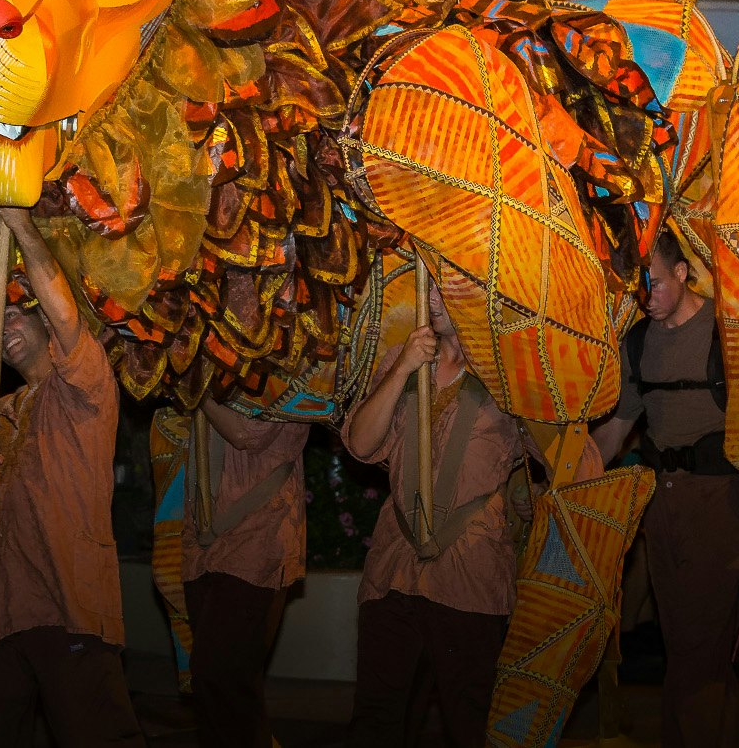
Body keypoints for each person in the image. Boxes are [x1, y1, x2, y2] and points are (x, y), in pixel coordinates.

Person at [0, 207, 144, 746]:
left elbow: (66, 317)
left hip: (69, 608)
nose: (6, 328)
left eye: (17, 314)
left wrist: (19, 224)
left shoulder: (84, 386)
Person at [342, 281, 530, 748]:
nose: (430, 300)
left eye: (445, 290)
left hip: (469, 569)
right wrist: (404, 365)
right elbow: (362, 444)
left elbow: (560, 454)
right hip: (394, 563)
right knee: (376, 716)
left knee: (469, 720)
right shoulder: (404, 361)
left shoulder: (511, 370)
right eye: (430, 289)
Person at [590, 230, 739, 748]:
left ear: (682, 273)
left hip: (719, 500)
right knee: (683, 638)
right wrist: (563, 467)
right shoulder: (637, 341)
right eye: (638, 287)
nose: (646, 295)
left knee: (698, 638)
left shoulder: (727, 332)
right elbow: (616, 430)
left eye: (654, 282)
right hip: (660, 503)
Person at [181, 399, 307, 748]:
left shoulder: (296, 355)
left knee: (218, 675)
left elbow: (247, 433)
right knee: (219, 683)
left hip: (258, 533)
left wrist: (198, 387)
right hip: (203, 539)